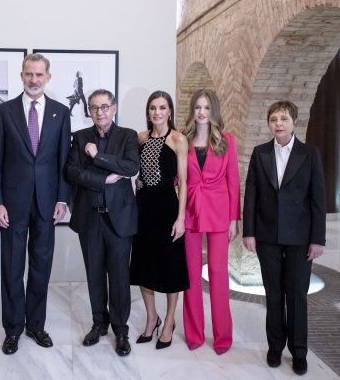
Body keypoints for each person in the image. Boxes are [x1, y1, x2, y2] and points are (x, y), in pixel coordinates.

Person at [0, 53, 71, 355]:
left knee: (41, 266)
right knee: (11, 266)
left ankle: (36, 325)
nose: (34, 80)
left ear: (48, 77)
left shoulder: (61, 113)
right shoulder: (3, 112)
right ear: (22, 76)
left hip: (48, 203)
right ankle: (13, 329)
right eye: (28, 74)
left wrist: (63, 197)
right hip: (11, 203)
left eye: (39, 75)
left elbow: (64, 161)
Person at [243, 100, 326, 376]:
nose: (278, 123)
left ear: (293, 122)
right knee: (274, 293)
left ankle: (299, 351)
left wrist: (318, 239)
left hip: (300, 237)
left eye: (284, 119)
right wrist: (249, 232)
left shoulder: (309, 153)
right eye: (274, 119)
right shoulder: (260, 153)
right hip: (266, 235)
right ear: (269, 124)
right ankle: (275, 347)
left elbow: (318, 199)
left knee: (297, 295)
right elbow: (251, 195)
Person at [65, 89, 139, 356]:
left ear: (114, 108)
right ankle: (99, 324)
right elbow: (72, 171)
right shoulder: (80, 137)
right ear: (89, 110)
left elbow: (131, 167)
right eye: (94, 107)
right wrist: (103, 178)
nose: (100, 112)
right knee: (94, 274)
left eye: (104, 107)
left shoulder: (128, 136)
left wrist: (98, 158)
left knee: (119, 276)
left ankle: (121, 330)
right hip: (90, 218)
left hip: (119, 218)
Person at [181, 89, 240, 355]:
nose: (202, 112)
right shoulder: (183, 140)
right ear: (193, 111)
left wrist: (233, 220)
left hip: (218, 213)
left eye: (206, 107)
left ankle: (222, 338)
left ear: (213, 111)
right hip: (191, 212)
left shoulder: (227, 140)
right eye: (198, 107)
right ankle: (194, 334)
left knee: (218, 275)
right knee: (191, 276)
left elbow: (234, 182)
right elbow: (177, 178)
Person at [129, 90, 189, 350]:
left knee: (170, 268)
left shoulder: (178, 139)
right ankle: (152, 317)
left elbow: (184, 182)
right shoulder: (140, 138)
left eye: (162, 108)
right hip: (143, 209)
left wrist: (181, 218)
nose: (157, 112)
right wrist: (137, 182)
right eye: (153, 108)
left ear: (170, 111)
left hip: (167, 209)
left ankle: (169, 321)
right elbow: (134, 170)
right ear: (148, 112)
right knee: (144, 265)